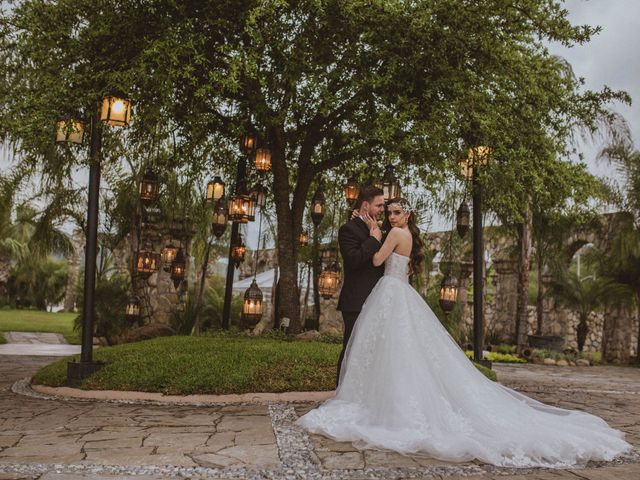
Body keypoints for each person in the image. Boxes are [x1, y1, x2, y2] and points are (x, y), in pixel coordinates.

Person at [297, 198, 631, 468]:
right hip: (398, 292)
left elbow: (374, 262)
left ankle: (386, 403)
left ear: (406, 214)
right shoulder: (408, 236)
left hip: (391, 293)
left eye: (396, 212)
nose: (390, 216)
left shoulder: (395, 235)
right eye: (387, 212)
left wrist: (373, 231)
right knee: (402, 350)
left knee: (395, 349)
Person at [335, 186, 386, 386]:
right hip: (356, 301)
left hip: (378, 300)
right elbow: (354, 260)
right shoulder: (348, 230)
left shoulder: (381, 229)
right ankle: (342, 390)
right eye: (379, 205)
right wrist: (373, 240)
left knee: (373, 351)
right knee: (352, 348)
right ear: (366, 205)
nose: (382, 209)